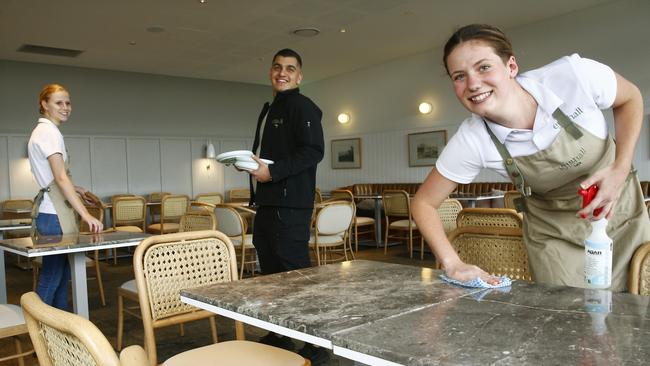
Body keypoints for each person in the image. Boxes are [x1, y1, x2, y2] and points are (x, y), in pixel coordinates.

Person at [412, 24, 649, 292]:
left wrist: (620, 168)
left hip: (621, 216)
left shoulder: (574, 76)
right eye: (459, 76)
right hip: (555, 239)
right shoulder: (472, 140)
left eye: (484, 67)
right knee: (566, 321)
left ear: (511, 66)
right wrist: (452, 263)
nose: (473, 84)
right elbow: (423, 204)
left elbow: (631, 98)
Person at [247, 49, 325, 360]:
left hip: (291, 206)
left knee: (294, 275)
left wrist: (272, 171)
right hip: (267, 203)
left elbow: (313, 151)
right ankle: (281, 332)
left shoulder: (303, 107)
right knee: (271, 274)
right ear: (270, 71)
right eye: (278, 67)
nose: (283, 72)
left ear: (299, 76)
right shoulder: (272, 108)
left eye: (290, 68)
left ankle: (316, 341)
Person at [28, 84, 103, 310]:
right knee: (52, 278)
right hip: (54, 217)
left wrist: (77, 189)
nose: (65, 107)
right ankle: (39, 332)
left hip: (51, 213)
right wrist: (86, 214)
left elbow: (53, 178)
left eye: (68, 103)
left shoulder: (42, 132)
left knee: (61, 278)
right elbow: (60, 177)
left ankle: (59, 333)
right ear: (44, 104)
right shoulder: (49, 132)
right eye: (59, 103)